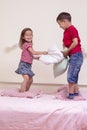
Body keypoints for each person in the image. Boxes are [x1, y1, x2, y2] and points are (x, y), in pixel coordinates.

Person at [56, 12, 83, 99]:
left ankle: (71, 95)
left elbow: (75, 42)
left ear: (64, 21)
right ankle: (74, 93)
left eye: (60, 24)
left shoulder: (72, 29)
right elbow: (69, 41)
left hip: (76, 55)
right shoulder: (66, 31)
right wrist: (65, 46)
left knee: (71, 75)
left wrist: (67, 51)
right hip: (74, 55)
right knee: (74, 74)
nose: (59, 26)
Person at [15, 28, 48, 92]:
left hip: (28, 65)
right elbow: (33, 52)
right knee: (26, 78)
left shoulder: (30, 45)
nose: (29, 36)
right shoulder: (26, 44)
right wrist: (43, 52)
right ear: (23, 37)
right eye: (27, 35)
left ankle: (26, 91)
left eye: (30, 35)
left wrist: (38, 58)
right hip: (23, 64)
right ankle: (22, 93)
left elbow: (30, 55)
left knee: (31, 80)